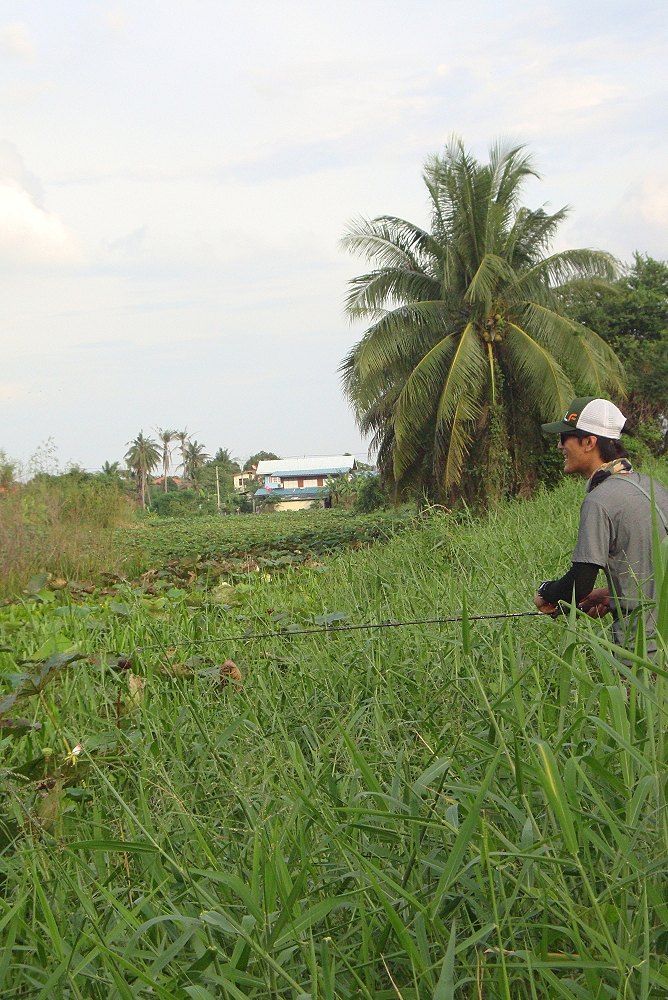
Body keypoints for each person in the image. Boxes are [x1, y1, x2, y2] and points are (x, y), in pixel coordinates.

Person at [534, 396, 668, 652]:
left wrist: (546, 593)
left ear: (589, 442)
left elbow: (580, 583)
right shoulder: (653, 488)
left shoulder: (599, 500)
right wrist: (611, 592)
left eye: (565, 437)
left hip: (641, 649)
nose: (559, 445)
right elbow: (658, 569)